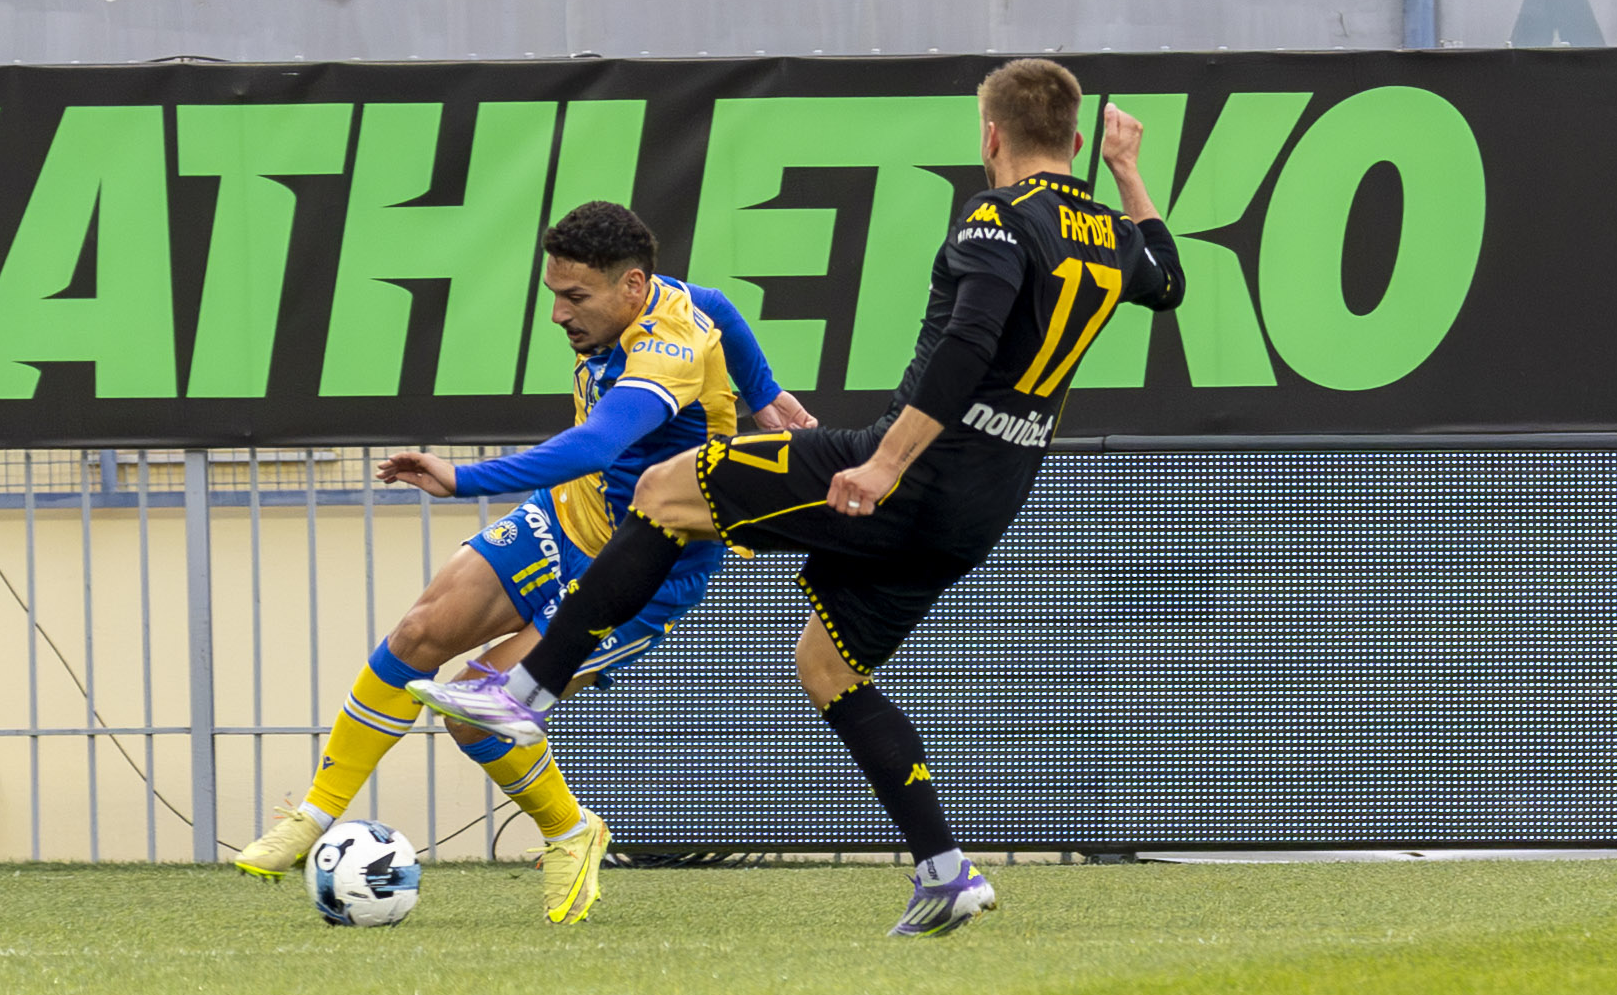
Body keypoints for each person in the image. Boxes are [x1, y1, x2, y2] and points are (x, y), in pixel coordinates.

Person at [410, 60, 1186, 937]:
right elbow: (1166, 280)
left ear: (990, 135)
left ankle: (524, 690)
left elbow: (966, 345)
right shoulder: (1106, 233)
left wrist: (885, 463)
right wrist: (1127, 173)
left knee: (665, 486)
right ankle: (944, 869)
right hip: (982, 505)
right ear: (1077, 140)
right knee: (827, 668)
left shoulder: (995, 219)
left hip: (909, 471)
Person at [232, 200, 814, 925]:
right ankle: (316, 815)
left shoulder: (667, 351)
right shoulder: (672, 299)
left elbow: (597, 445)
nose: (559, 314)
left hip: (643, 569)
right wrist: (765, 394)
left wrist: (461, 478)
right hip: (565, 517)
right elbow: (718, 304)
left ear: (632, 286)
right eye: (554, 294)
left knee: (477, 712)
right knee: (419, 633)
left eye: (576, 297)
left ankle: (571, 831)